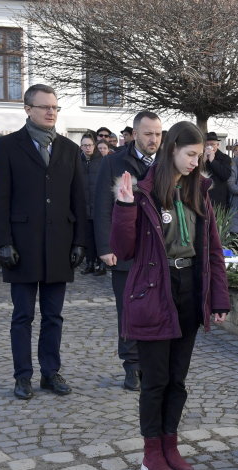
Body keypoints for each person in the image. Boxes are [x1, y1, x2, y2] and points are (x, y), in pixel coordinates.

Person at [110, 121, 230, 470]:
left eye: (200, 156)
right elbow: (123, 249)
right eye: (190, 155)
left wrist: (218, 299)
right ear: (172, 148)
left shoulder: (199, 192)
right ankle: (151, 453)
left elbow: (212, 250)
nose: (196, 162)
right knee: (156, 380)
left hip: (189, 290)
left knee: (177, 379)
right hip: (154, 292)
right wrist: (125, 206)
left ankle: (170, 444)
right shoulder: (143, 191)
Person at [0, 83, 87, 400]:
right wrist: (2, 241)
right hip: (21, 245)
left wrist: (79, 242)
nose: (51, 112)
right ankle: (23, 376)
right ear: (27, 109)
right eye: (45, 106)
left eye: (55, 108)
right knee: (22, 316)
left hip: (59, 243)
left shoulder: (69, 150)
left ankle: (50, 372)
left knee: (53, 315)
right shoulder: (6, 147)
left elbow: (78, 200)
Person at [94, 110, 163, 392]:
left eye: (158, 134)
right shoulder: (113, 162)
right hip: (125, 250)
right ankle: (132, 366)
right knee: (128, 310)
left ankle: (153, 365)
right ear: (134, 134)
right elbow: (101, 207)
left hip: (158, 251)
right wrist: (105, 247)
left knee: (157, 309)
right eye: (148, 134)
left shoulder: (168, 163)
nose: (154, 139)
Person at [80, 134, 105, 276]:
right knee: (88, 237)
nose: (87, 148)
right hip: (84, 205)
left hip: (99, 205)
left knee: (100, 236)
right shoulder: (78, 160)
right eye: (84, 145)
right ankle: (89, 263)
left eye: (89, 145)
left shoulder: (102, 161)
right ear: (81, 147)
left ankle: (102, 264)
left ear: (94, 146)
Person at [202, 132, 232, 210]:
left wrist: (212, 161)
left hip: (218, 198)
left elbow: (225, 175)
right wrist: (203, 161)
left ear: (217, 145)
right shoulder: (200, 158)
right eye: (207, 144)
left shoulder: (225, 158)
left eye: (212, 144)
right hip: (202, 196)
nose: (209, 147)